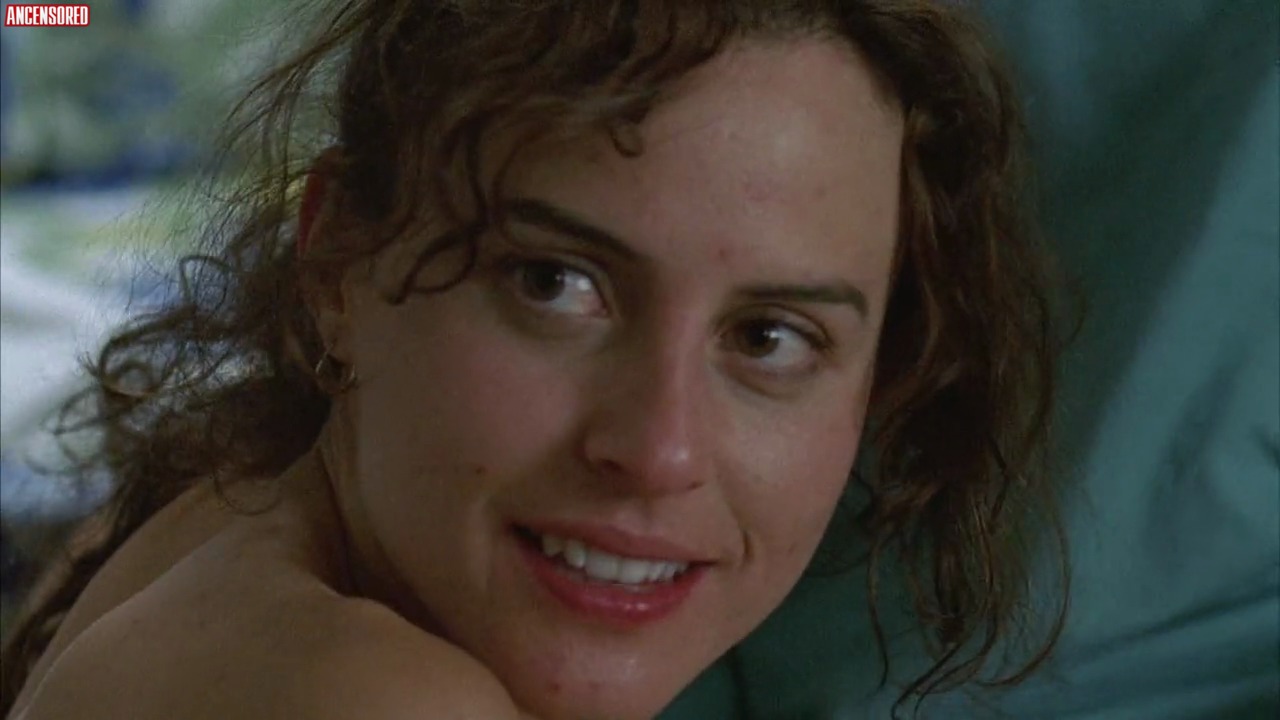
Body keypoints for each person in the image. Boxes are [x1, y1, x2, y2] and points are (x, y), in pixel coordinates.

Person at [0, 1, 1066, 718]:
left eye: (767, 339)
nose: (659, 450)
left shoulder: (233, 503)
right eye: (554, 284)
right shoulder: (384, 699)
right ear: (336, 263)